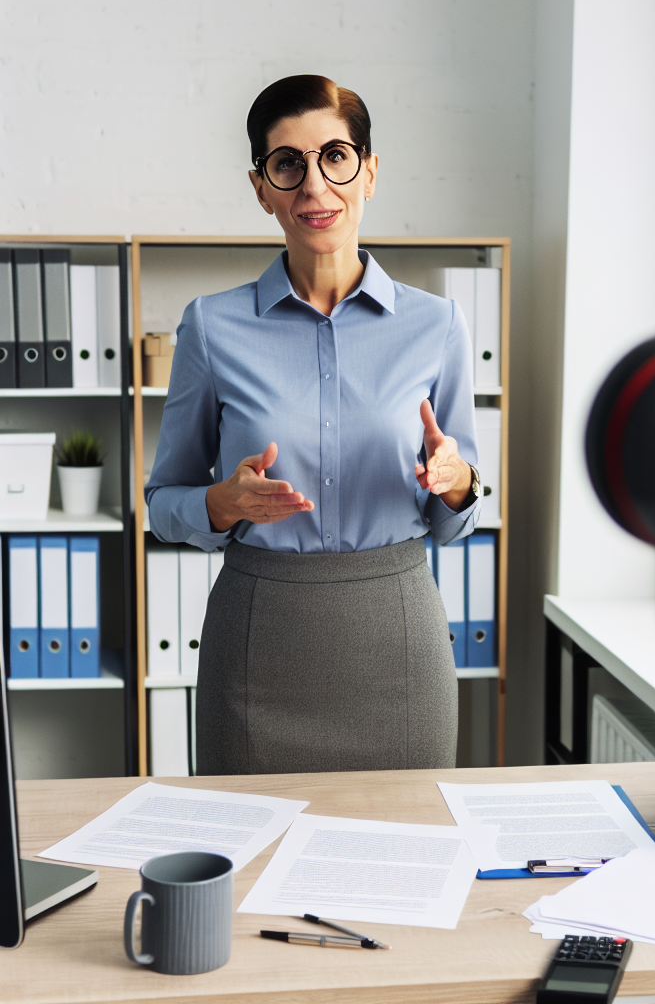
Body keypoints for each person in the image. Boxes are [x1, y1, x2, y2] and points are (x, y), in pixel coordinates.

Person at [144, 75, 483, 775]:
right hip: (257, 643)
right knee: (250, 866)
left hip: (398, 644)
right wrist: (218, 502)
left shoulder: (437, 325)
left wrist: (455, 484)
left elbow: (461, 511)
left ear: (369, 171)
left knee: (405, 858)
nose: (314, 185)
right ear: (262, 187)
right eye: (288, 164)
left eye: (336, 156)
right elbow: (163, 504)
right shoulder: (211, 327)